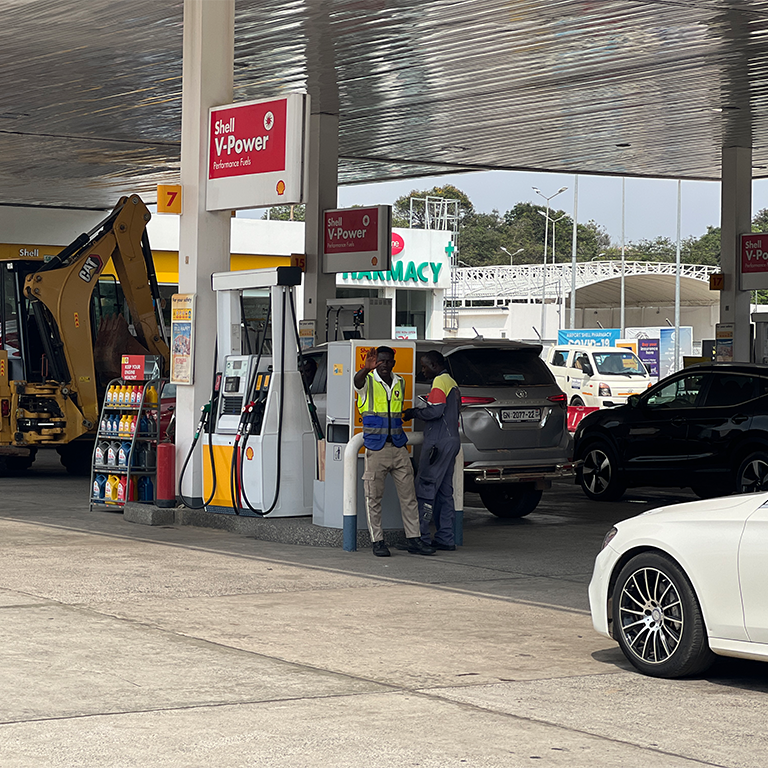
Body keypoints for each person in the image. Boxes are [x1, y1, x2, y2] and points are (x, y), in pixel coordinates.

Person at [354, 346, 436, 558]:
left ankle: (414, 539)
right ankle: (378, 541)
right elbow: (357, 383)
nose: (385, 365)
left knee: (409, 497)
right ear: (375, 362)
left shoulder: (400, 381)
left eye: (389, 361)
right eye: (381, 361)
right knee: (373, 498)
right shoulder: (368, 381)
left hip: (399, 447)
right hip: (376, 448)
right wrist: (366, 369)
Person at [402, 351, 461, 551]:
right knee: (445, 492)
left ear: (435, 365)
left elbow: (435, 411)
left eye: (425, 366)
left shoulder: (439, 382)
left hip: (437, 442)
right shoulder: (452, 382)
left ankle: (421, 538)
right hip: (452, 441)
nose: (422, 370)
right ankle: (446, 537)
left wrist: (413, 413)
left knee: (426, 490)